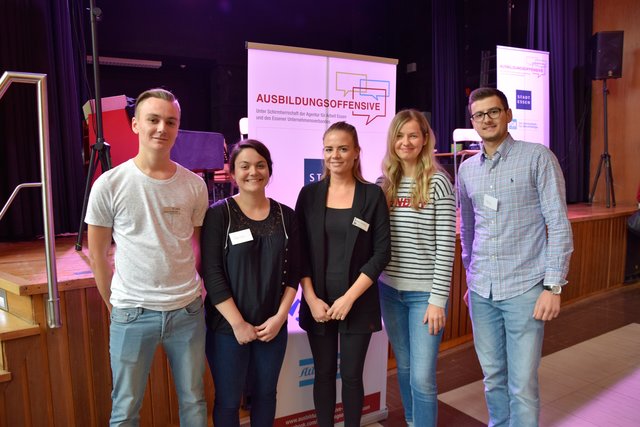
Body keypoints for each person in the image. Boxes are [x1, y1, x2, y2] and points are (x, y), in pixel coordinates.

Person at [86, 88, 209, 426]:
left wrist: (197, 291)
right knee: (125, 408)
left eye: (170, 121)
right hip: (132, 313)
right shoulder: (109, 184)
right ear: (135, 125)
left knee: (194, 401)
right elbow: (97, 254)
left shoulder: (195, 185)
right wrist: (116, 304)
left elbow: (195, 246)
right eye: (153, 119)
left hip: (186, 312)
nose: (161, 128)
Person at [458, 87, 574, 427]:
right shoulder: (466, 170)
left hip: (525, 288)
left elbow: (558, 223)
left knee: (521, 385)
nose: (487, 119)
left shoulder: (538, 157)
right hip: (482, 291)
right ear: (473, 122)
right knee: (493, 377)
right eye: (479, 114)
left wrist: (553, 286)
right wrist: (470, 277)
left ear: (508, 114)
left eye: (494, 111)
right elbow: (468, 229)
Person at [295, 121, 391, 427]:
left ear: (356, 152)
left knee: (351, 376)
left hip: (358, 302)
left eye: (343, 148)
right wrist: (310, 299)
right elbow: (299, 253)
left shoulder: (372, 195)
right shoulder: (308, 195)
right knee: (322, 374)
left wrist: (349, 298)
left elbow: (381, 253)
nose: (335, 155)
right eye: (329, 149)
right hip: (318, 303)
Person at [201, 139, 300, 427]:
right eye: (244, 166)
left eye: (260, 165)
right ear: (232, 173)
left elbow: (294, 272)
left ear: (270, 170)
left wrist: (281, 317)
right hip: (227, 329)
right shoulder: (219, 214)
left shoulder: (286, 216)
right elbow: (213, 273)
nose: (253, 172)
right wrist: (237, 324)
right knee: (228, 400)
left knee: (266, 395)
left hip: (273, 327)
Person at [377, 110, 457, 427]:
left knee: (423, 377)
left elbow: (446, 246)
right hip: (389, 290)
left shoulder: (437, 182)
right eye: (400, 135)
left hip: (425, 295)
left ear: (425, 139)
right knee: (406, 367)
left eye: (412, 135)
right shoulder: (385, 183)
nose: (406, 142)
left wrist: (438, 299)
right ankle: (412, 421)